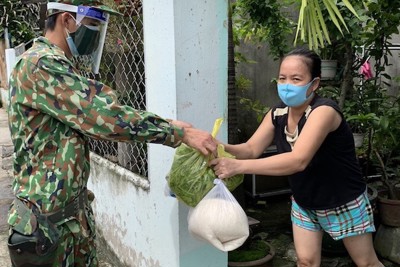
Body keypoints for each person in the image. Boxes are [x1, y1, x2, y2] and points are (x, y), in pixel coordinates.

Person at [6, 1, 216, 266]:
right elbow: (105, 119)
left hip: (67, 220)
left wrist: (171, 125)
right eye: (92, 25)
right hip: (48, 228)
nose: (95, 34)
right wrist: (175, 132)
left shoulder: (54, 64)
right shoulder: (41, 64)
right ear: (67, 20)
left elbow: (100, 112)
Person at [210, 48, 384, 267]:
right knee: (306, 262)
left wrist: (236, 166)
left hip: (342, 201)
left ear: (314, 84)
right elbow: (251, 148)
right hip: (305, 202)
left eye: (296, 79)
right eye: (282, 78)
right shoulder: (278, 113)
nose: (287, 84)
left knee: (366, 262)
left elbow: (298, 160)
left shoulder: (324, 112)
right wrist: (218, 146)